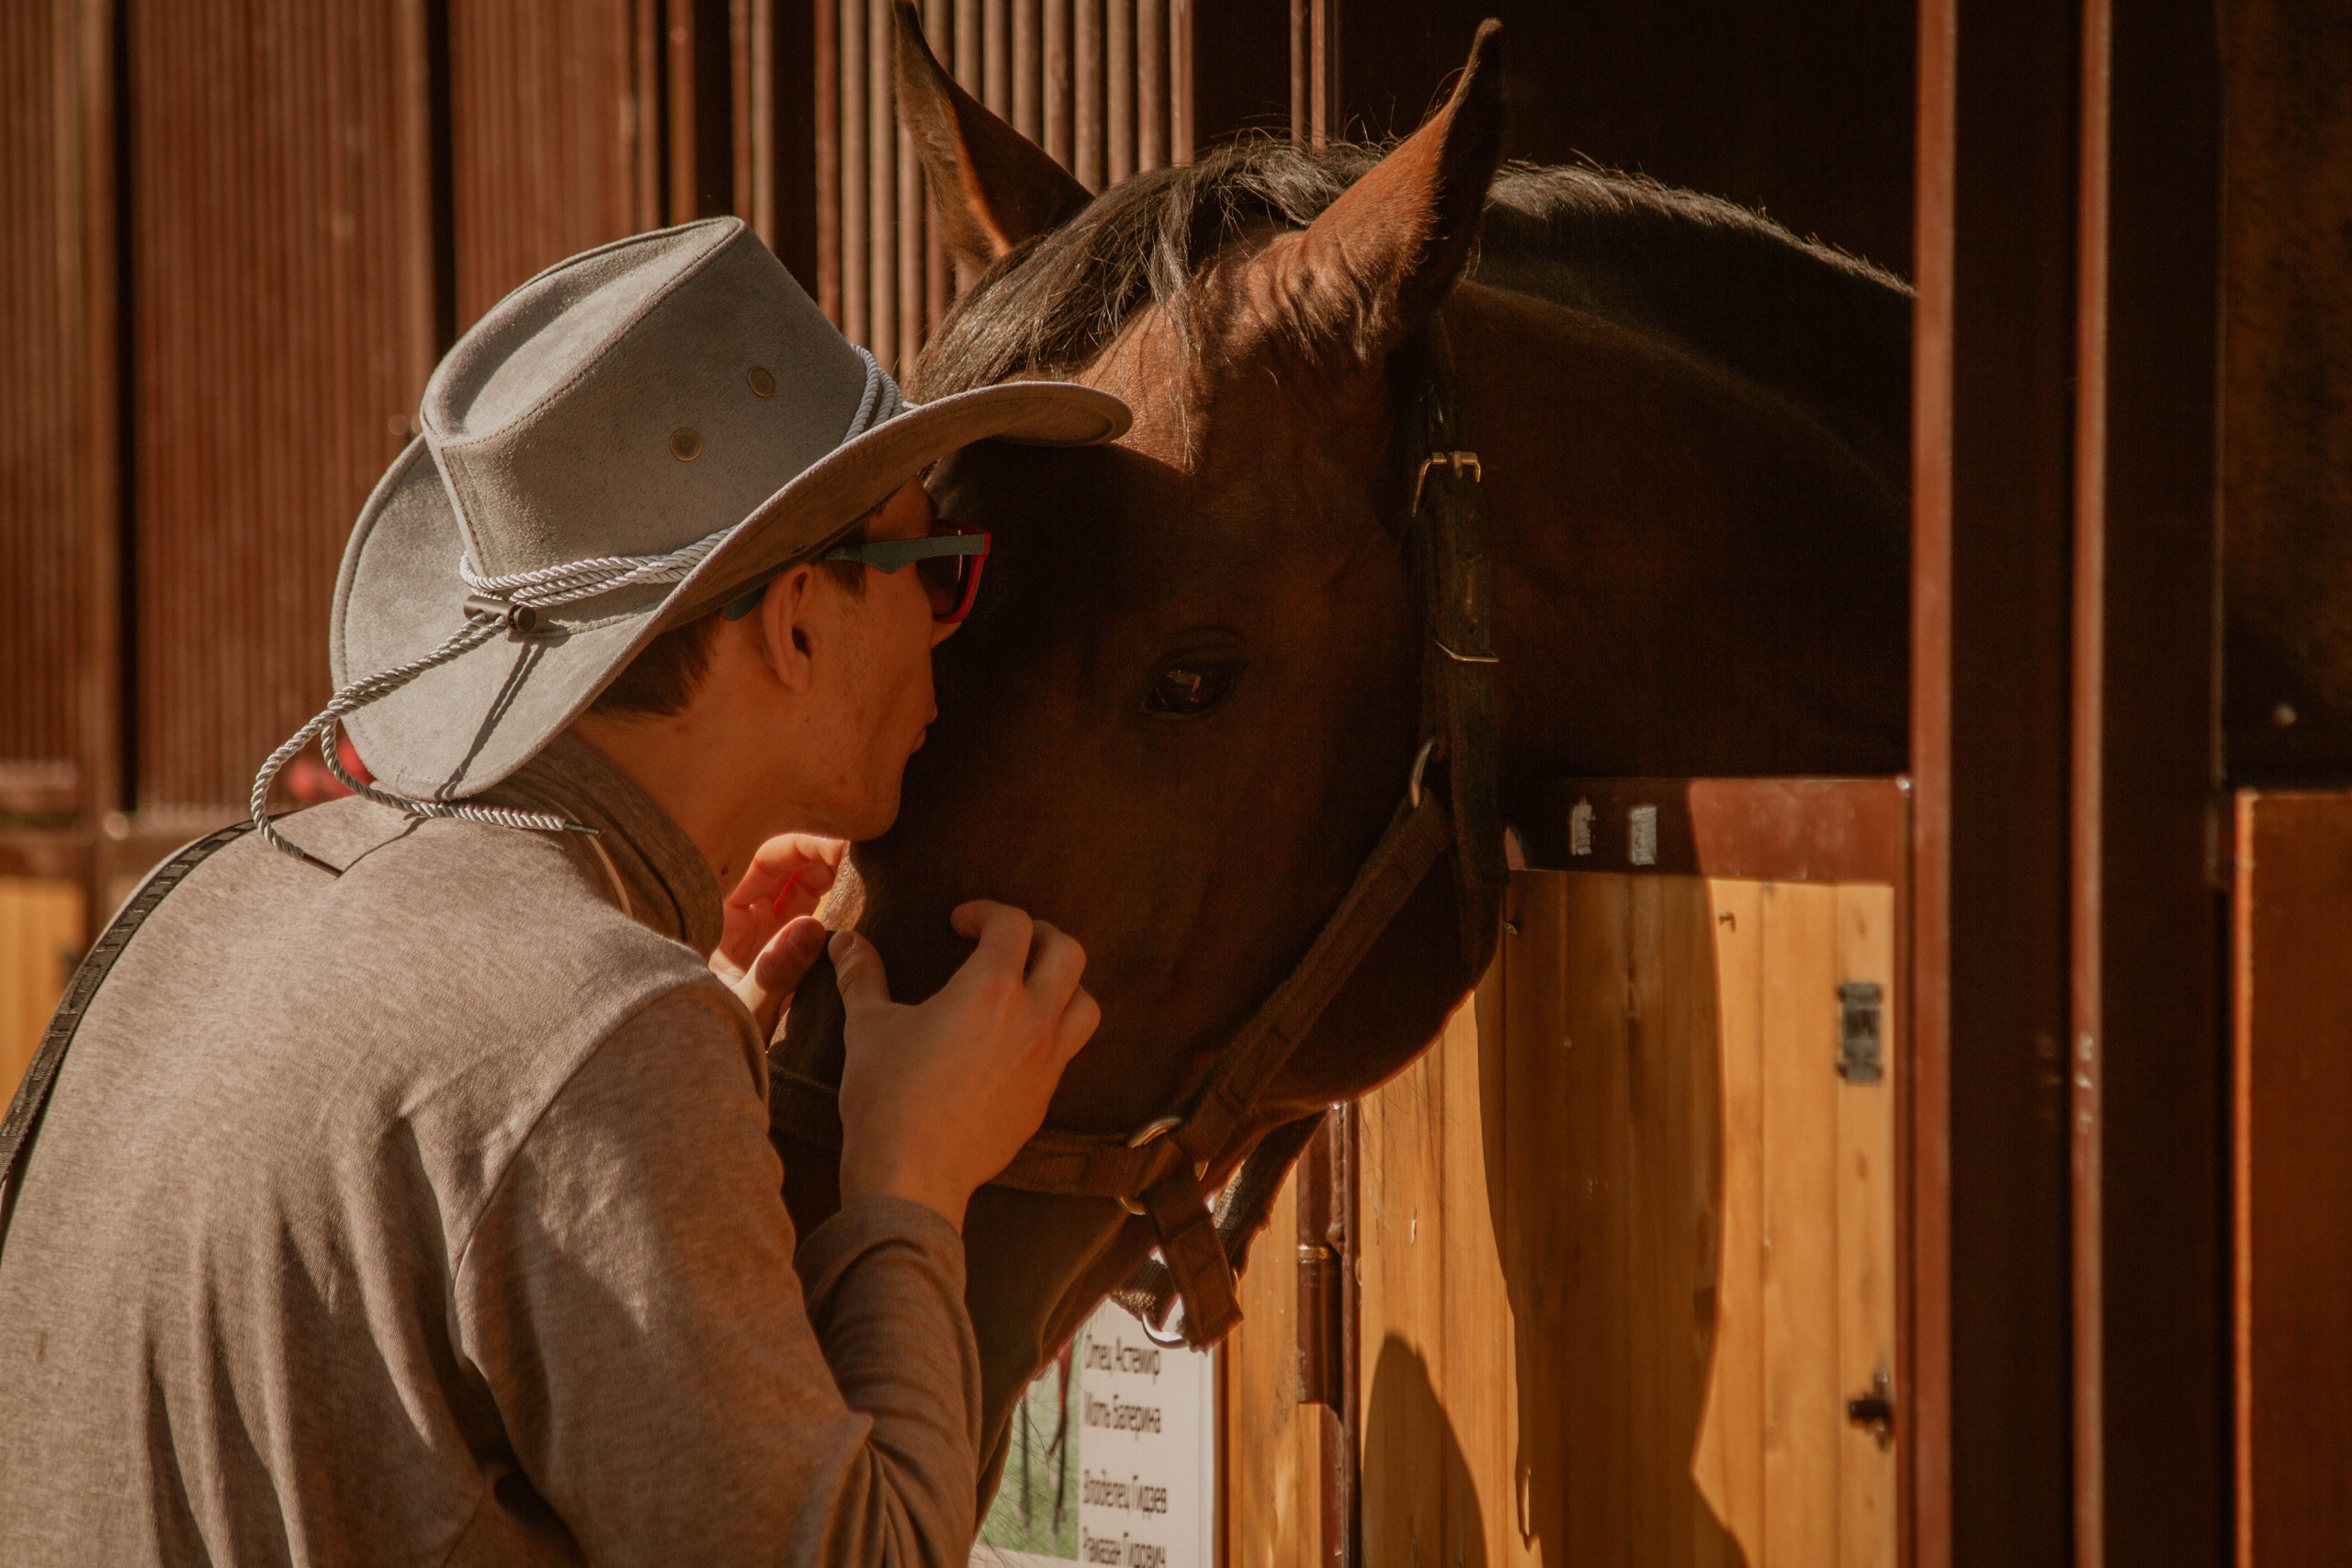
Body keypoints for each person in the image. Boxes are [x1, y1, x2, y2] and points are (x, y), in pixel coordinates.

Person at [0, 217, 1130, 1565]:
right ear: (800, 620)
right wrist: (912, 1177)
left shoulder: (202, 908)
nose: (956, 631)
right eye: (933, 569)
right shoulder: (599, 1033)